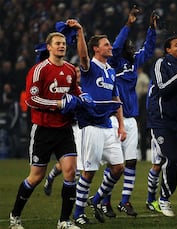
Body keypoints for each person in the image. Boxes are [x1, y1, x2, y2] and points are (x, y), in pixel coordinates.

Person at [9, 30, 86, 229]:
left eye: (63, 43)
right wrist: (58, 104)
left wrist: (82, 98)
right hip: (43, 130)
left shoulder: (70, 69)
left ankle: (64, 221)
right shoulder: (39, 70)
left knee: (70, 171)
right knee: (36, 177)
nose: (62, 46)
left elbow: (75, 92)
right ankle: (15, 216)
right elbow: (31, 99)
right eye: (57, 43)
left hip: (64, 129)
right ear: (49, 47)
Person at [96, 5, 158, 218]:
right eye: (130, 45)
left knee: (131, 161)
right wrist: (129, 24)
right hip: (114, 118)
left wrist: (151, 29)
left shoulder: (134, 62)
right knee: (115, 163)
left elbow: (149, 50)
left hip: (131, 118)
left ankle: (125, 201)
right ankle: (104, 201)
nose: (133, 48)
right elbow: (119, 42)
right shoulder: (113, 62)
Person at [69, 19, 127, 226]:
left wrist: (120, 125)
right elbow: (83, 55)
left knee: (119, 167)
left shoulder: (110, 70)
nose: (110, 47)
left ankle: (95, 200)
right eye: (106, 44)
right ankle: (77, 213)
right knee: (89, 171)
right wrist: (80, 32)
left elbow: (116, 100)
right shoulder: (89, 67)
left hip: (107, 125)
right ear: (96, 49)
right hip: (91, 125)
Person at [145, 35, 177, 217]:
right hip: (161, 122)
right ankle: (164, 199)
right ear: (168, 49)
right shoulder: (161, 64)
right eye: (176, 45)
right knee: (171, 158)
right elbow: (163, 89)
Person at [44, 66, 82, 196]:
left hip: (84, 128)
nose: (78, 74)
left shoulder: (83, 89)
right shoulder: (65, 89)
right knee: (75, 163)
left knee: (69, 164)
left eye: (79, 72)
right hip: (72, 127)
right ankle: (75, 195)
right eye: (76, 72)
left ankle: (51, 176)